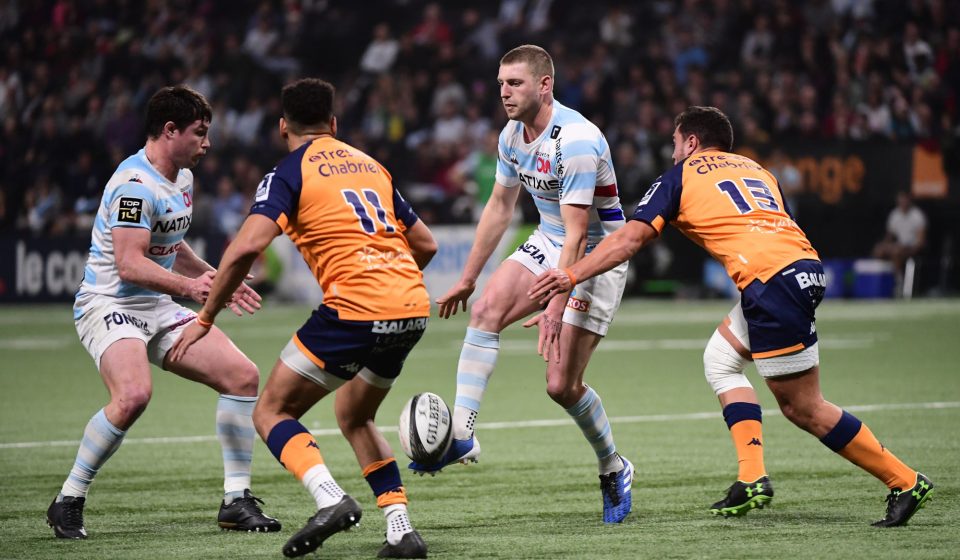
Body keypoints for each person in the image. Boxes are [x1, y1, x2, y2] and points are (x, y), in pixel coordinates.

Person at [528, 106, 934, 527]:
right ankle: (751, 476)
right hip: (801, 269)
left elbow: (631, 238)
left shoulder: (682, 174)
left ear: (690, 142)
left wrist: (569, 274)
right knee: (721, 361)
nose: (671, 153)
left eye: (673, 142)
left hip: (770, 283)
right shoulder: (758, 170)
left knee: (804, 408)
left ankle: (903, 480)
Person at [170, 78, 438, 558]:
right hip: (412, 307)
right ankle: (401, 530)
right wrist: (390, 287)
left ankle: (330, 499)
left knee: (271, 410)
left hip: (355, 309)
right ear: (334, 124)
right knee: (355, 415)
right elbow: (426, 245)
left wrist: (206, 316)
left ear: (281, 127)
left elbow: (246, 247)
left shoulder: (288, 172)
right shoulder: (370, 165)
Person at [411, 44, 634, 525]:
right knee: (485, 311)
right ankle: (464, 435)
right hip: (552, 237)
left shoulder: (575, 139)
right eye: (500, 84)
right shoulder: (512, 135)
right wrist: (469, 278)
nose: (504, 93)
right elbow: (499, 206)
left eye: (514, 83)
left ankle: (613, 466)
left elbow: (579, 234)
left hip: (598, 251)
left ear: (544, 84)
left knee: (561, 385)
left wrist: (557, 304)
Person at [48, 85, 280, 539]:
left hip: (154, 303)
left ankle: (236, 501)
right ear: (170, 130)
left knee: (243, 376)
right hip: (109, 303)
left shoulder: (183, 178)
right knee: (133, 396)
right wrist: (192, 288)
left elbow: (171, 244)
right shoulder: (133, 186)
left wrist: (215, 278)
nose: (206, 143)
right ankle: (69, 499)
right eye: (200, 133)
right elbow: (129, 262)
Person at [872, 190, 926, 291]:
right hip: (899, 246)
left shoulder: (917, 215)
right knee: (878, 250)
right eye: (900, 200)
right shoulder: (895, 214)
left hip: (913, 248)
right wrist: (885, 246)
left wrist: (909, 249)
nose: (902, 203)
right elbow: (889, 237)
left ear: (909, 200)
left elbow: (921, 242)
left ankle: (899, 282)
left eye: (904, 200)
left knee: (897, 252)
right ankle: (880, 283)